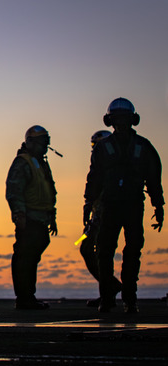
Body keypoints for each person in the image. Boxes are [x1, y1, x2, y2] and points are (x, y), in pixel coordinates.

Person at [84, 98, 163, 313]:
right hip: (112, 205)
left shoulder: (142, 147)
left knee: (131, 251)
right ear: (110, 121)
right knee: (105, 252)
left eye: (124, 119)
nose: (120, 123)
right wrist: (88, 204)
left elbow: (154, 178)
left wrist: (159, 204)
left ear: (132, 120)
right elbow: (95, 178)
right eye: (116, 119)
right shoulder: (105, 148)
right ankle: (108, 299)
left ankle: (129, 299)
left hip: (133, 205)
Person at [5, 125, 58, 310]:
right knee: (25, 257)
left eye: (46, 142)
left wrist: (51, 216)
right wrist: (19, 214)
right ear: (30, 143)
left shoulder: (40, 164)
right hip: (29, 218)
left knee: (31, 257)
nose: (44, 146)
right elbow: (14, 190)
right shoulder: (23, 163)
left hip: (41, 218)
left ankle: (28, 296)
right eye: (41, 142)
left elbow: (48, 191)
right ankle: (25, 298)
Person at [79, 130, 122, 308]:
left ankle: (110, 289)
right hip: (99, 213)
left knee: (91, 249)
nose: (94, 149)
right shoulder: (102, 163)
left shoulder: (110, 164)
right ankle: (108, 290)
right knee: (96, 251)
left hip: (104, 213)